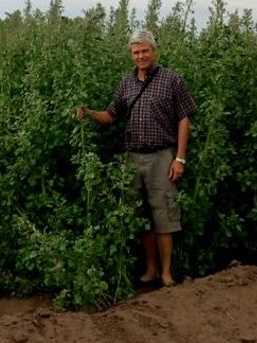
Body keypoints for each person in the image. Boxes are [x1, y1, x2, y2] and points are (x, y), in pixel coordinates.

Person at [77, 29, 198, 287]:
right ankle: (150, 270)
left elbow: (184, 118)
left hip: (162, 157)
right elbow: (111, 115)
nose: (140, 56)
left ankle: (167, 274)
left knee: (164, 216)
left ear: (154, 51)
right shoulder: (126, 83)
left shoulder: (171, 80)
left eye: (145, 51)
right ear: (131, 55)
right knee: (142, 218)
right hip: (132, 159)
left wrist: (180, 158)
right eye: (136, 52)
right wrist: (87, 112)